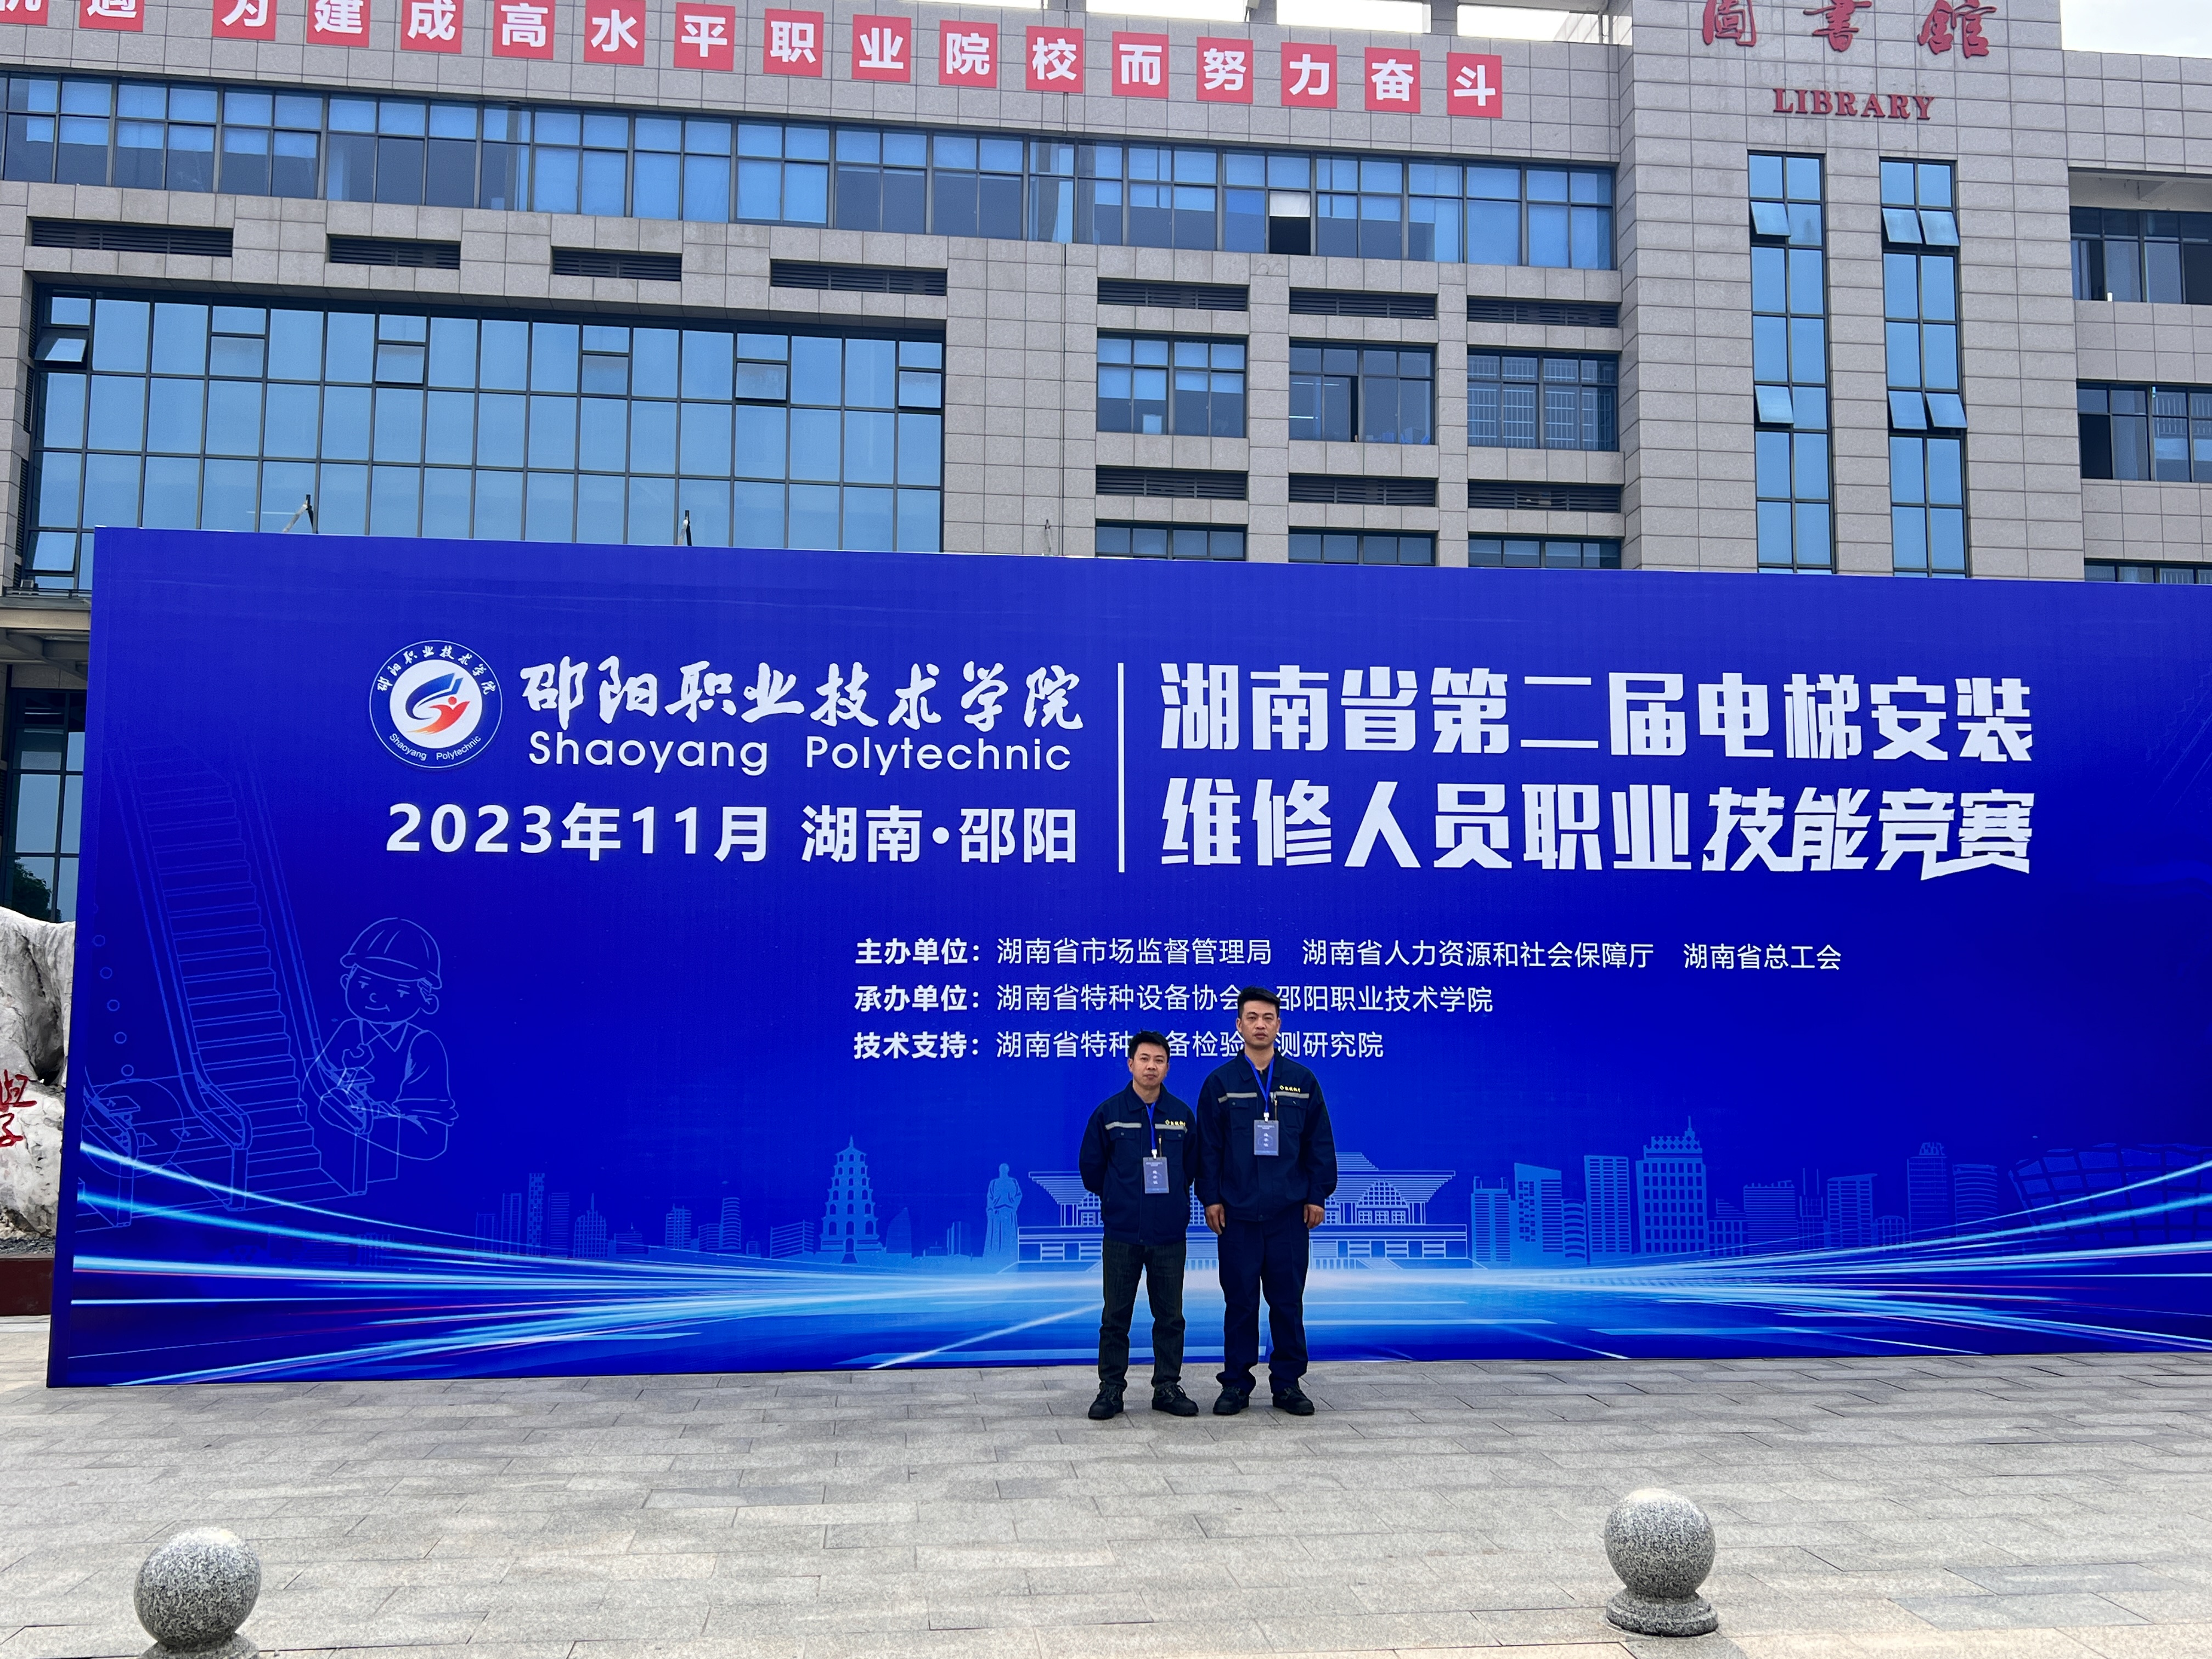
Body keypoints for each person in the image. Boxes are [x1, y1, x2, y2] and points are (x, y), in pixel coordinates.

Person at [1196, 986, 1337, 1417]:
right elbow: (1209, 1149)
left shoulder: (1302, 1080)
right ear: (1238, 1025)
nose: (1260, 1025)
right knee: (1240, 1303)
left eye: (1268, 1018)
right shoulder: (1221, 1083)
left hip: (1289, 1214)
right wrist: (1211, 1199)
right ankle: (1236, 1384)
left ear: (1279, 1025)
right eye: (1252, 1018)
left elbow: (1318, 1143)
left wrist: (1317, 1195)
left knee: (1287, 1302)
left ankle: (1288, 1383)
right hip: (1237, 1215)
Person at [1077, 1030, 1201, 1420]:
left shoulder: (1181, 1115)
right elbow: (1092, 1170)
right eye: (1144, 1059)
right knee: (1116, 1317)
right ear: (1130, 1064)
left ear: (1168, 1067)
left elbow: (1192, 1167)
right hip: (1123, 1233)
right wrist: (1120, 1198)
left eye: (1159, 1060)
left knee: (1170, 1317)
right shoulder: (1109, 1114)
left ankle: (1167, 1387)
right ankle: (1111, 1390)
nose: (1151, 1067)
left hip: (1169, 1234)